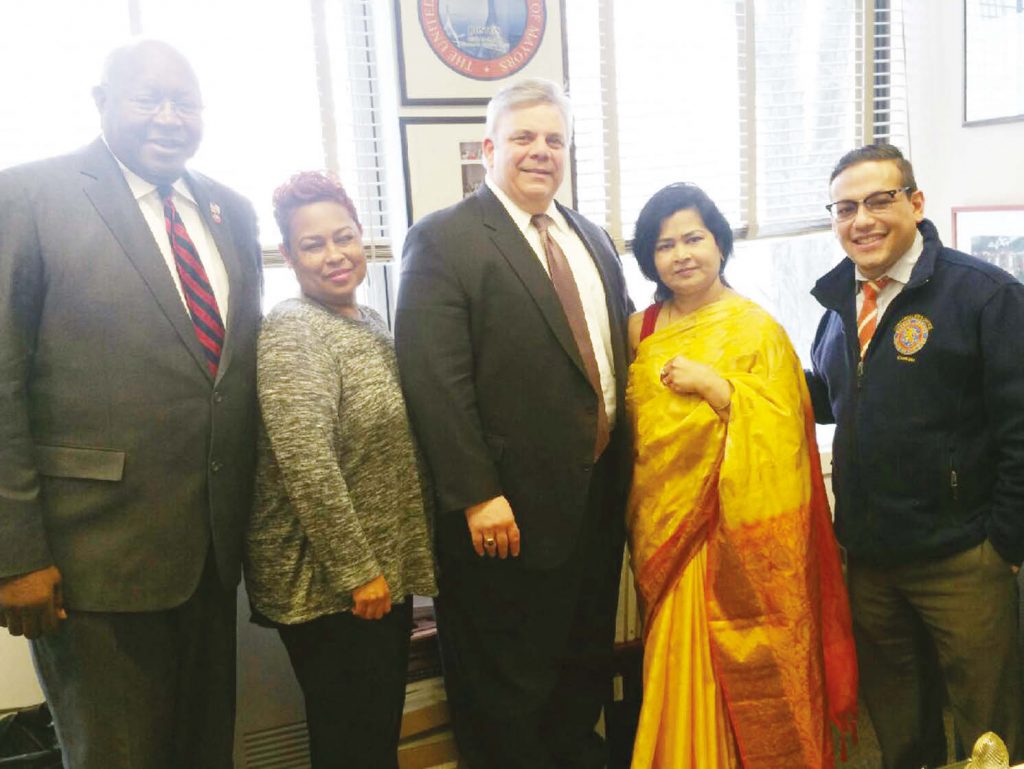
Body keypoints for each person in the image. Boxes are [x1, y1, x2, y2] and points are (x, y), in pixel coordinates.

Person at [0, 40, 262, 768]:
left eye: (187, 102)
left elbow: (230, 374)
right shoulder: (25, 198)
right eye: (150, 98)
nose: (170, 117)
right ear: (101, 101)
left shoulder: (228, 210)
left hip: (209, 553)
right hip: (93, 564)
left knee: (204, 750)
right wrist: (14, 554)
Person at [394, 78, 632, 769]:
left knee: (577, 667)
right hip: (502, 514)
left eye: (554, 140)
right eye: (524, 138)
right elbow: (434, 381)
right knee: (507, 685)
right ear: (488, 147)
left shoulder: (592, 237)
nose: (540, 152)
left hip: (593, 502)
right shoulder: (444, 239)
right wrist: (476, 493)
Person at [626, 182, 858, 769]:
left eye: (694, 238)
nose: (681, 254)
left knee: (735, 669)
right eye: (664, 245)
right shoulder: (641, 329)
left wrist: (720, 390)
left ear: (721, 244)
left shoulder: (757, 329)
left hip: (732, 538)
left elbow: (785, 439)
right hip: (663, 535)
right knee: (674, 670)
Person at [807, 143, 1024, 768]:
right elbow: (828, 396)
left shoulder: (984, 296)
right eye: (845, 208)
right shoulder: (839, 301)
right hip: (872, 561)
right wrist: (741, 374)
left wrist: (1005, 544)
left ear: (916, 202)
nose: (862, 220)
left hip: (964, 559)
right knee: (902, 733)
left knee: (990, 736)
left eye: (880, 200)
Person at [244, 171, 437, 769]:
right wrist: (358, 572)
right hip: (330, 586)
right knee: (352, 738)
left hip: (380, 569)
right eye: (313, 245)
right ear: (287, 255)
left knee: (373, 731)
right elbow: (307, 463)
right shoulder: (293, 329)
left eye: (344, 237)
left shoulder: (369, 322)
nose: (335, 256)